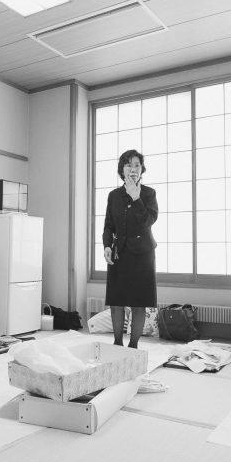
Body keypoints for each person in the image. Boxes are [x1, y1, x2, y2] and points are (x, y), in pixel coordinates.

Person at [102, 149, 158, 348]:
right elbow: (109, 225)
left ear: (142, 169)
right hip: (119, 254)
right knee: (116, 302)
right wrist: (107, 246)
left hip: (143, 254)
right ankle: (117, 343)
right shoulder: (114, 195)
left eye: (137, 165)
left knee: (138, 303)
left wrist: (136, 197)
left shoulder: (149, 193)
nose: (133, 169)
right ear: (122, 169)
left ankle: (133, 346)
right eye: (128, 165)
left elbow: (147, 221)